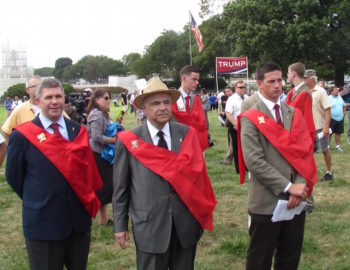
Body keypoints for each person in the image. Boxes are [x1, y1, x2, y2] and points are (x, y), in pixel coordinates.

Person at [113, 76, 216, 270]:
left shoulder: (186, 134)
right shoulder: (129, 141)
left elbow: (199, 178)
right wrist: (119, 225)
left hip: (184, 224)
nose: (162, 107)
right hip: (150, 226)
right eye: (155, 103)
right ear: (144, 108)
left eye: (166, 102)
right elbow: (121, 188)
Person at [6, 78, 102, 270]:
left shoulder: (78, 131)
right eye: (48, 97)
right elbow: (14, 177)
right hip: (43, 224)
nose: (54, 101)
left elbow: (87, 172)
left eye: (58, 96)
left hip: (78, 223)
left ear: (64, 99)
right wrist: (39, 198)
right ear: (38, 101)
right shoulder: (22, 136)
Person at [237, 62, 317, 270]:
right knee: (259, 260)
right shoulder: (250, 116)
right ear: (259, 84)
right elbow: (254, 161)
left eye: (280, 80)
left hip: (296, 200)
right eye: (271, 81)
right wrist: (289, 187)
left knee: (289, 258)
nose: (277, 85)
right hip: (266, 201)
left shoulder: (292, 113)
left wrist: (299, 186)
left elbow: (304, 153)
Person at [87, 89, 116, 225]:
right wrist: (115, 140)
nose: (108, 100)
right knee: (107, 185)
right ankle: (91, 208)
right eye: (105, 98)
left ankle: (103, 218)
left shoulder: (104, 114)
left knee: (105, 185)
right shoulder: (97, 114)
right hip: (97, 155)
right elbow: (96, 137)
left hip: (104, 155)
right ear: (97, 100)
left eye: (109, 98)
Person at [171, 65, 209, 151]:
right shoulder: (172, 99)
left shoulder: (196, 99)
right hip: (178, 145)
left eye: (197, 80)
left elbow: (202, 123)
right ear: (184, 78)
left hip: (196, 144)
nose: (197, 83)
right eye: (194, 79)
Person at [305, 69, 333, 180]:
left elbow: (327, 109)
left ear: (311, 79)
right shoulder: (305, 91)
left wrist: (326, 126)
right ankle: (309, 172)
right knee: (308, 151)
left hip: (320, 126)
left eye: (305, 78)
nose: (304, 80)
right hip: (308, 128)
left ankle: (329, 172)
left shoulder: (321, 91)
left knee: (324, 149)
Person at [2, 76, 42, 143]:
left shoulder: (52, 107)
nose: (40, 88)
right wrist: (15, 149)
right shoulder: (20, 109)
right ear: (27, 90)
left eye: (42, 85)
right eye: (36, 86)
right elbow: (6, 131)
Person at [286, 62, 316, 141]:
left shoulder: (304, 93)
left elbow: (289, 110)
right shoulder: (293, 91)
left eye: (288, 73)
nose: (287, 75)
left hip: (300, 134)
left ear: (293, 74)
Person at [224, 81, 246, 173]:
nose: (242, 89)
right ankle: (239, 169)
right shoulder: (231, 99)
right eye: (240, 87)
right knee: (236, 148)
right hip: (235, 127)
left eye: (244, 87)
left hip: (246, 126)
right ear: (235, 88)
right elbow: (228, 113)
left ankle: (247, 167)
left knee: (246, 147)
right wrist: (235, 124)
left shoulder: (247, 98)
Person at [219, 87, 234, 165]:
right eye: (226, 91)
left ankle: (228, 160)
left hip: (233, 122)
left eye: (229, 91)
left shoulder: (233, 99)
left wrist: (225, 122)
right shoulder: (227, 99)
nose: (227, 92)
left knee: (232, 141)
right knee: (230, 140)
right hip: (230, 122)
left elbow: (230, 112)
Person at [328, 86, 346, 151]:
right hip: (331, 118)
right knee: (329, 133)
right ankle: (327, 146)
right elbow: (326, 108)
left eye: (337, 90)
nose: (337, 91)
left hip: (340, 118)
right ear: (331, 91)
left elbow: (344, 105)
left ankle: (338, 146)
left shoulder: (340, 97)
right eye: (335, 90)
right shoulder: (328, 98)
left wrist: (344, 112)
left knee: (338, 133)